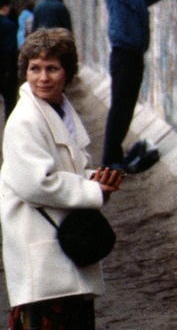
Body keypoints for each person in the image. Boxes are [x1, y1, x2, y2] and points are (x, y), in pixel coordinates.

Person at [0, 28, 124, 329]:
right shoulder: (25, 120)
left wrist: (94, 178)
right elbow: (36, 183)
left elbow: (62, 169)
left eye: (52, 69)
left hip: (56, 251)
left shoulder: (58, 111)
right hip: (41, 257)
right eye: (35, 69)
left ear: (66, 73)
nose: (43, 78)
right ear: (25, 71)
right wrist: (92, 190)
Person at [101, 0, 170, 172]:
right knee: (120, 106)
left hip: (135, 56)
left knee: (127, 107)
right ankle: (110, 158)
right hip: (122, 55)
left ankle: (115, 155)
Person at [0, 0, 19, 119]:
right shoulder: (9, 25)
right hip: (5, 71)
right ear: (5, 7)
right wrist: (12, 71)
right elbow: (11, 50)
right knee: (10, 105)